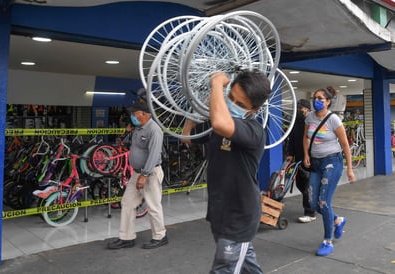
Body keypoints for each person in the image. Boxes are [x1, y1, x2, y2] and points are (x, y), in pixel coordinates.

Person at [181, 70, 271, 273]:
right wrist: (198, 110)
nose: (231, 104)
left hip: (239, 216)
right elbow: (186, 137)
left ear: (253, 109)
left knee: (224, 268)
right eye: (230, 97)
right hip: (219, 211)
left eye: (240, 104)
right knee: (246, 264)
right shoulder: (216, 125)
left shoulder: (254, 130)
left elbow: (221, 124)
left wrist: (216, 85)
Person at [302, 86, 356, 257]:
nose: (316, 100)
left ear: (328, 102)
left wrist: (350, 169)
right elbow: (306, 137)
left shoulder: (334, 120)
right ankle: (338, 220)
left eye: (320, 98)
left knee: (324, 202)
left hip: (332, 162)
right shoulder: (310, 116)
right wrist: (306, 155)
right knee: (312, 203)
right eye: (315, 97)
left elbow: (345, 145)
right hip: (316, 163)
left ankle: (327, 241)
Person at [107, 100, 167, 250]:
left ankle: (160, 236)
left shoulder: (154, 130)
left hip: (150, 173)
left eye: (134, 113)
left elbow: (154, 154)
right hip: (137, 173)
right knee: (127, 203)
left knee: (153, 206)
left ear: (144, 114)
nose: (132, 116)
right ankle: (127, 237)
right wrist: (128, 131)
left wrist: (144, 175)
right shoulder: (137, 128)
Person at [286, 99, 316, 223]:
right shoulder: (296, 122)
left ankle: (309, 212)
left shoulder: (312, 121)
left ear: (307, 109)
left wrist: (310, 155)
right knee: (300, 183)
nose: (298, 110)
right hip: (298, 157)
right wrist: (290, 154)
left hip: (310, 157)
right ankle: (314, 203)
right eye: (297, 108)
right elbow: (291, 138)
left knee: (307, 185)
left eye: (300, 108)